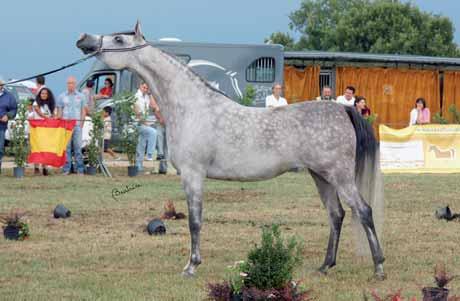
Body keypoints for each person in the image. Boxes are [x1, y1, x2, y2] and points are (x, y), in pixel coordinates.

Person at [56, 76, 88, 175]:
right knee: (67, 148)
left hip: (77, 125)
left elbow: (83, 111)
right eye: (69, 83)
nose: (71, 85)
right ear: (67, 84)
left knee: (78, 148)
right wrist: (56, 119)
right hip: (65, 125)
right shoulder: (61, 96)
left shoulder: (81, 96)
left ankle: (80, 170)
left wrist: (81, 123)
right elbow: (59, 111)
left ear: (75, 84)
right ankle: (67, 169)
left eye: (72, 83)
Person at [135, 82, 159, 173]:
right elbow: (138, 113)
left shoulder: (146, 96)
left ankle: (138, 166)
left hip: (143, 121)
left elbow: (154, 107)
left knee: (141, 144)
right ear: (140, 86)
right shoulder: (136, 97)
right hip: (137, 123)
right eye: (144, 87)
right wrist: (146, 123)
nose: (145, 89)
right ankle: (149, 154)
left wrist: (150, 94)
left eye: (147, 88)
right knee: (153, 132)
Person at [32, 88, 56, 176]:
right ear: (39, 94)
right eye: (42, 93)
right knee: (38, 148)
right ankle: (37, 167)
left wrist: (54, 117)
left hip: (47, 130)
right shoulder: (36, 103)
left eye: (45, 94)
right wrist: (47, 118)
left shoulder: (49, 105)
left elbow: (53, 114)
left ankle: (45, 167)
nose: (44, 95)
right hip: (38, 129)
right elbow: (39, 113)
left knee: (45, 148)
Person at [0, 79, 18, 174]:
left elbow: (14, 109)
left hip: (1, 126)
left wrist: (8, 115)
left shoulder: (9, 96)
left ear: (2, 85)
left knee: (0, 148)